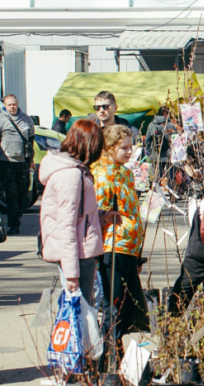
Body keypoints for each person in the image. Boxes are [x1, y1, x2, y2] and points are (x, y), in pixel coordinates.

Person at [39, 120, 119, 306]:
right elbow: (66, 227)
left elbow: (78, 216)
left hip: (78, 252)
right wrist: (72, 274)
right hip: (78, 255)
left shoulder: (74, 171)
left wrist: (100, 217)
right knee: (81, 314)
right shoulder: (71, 176)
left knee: (81, 312)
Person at [92, 125, 146, 350]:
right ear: (109, 148)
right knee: (114, 305)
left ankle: (123, 351)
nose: (129, 151)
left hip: (130, 248)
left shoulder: (125, 172)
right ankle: (109, 354)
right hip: (112, 248)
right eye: (123, 147)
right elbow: (99, 214)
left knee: (131, 306)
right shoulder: (102, 174)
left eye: (131, 146)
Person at [0, 94, 35, 235]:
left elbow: (31, 140)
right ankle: (14, 224)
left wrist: (31, 159)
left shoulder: (27, 120)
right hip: (7, 162)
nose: (12, 107)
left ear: (17, 103)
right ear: (5, 106)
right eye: (9, 105)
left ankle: (17, 218)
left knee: (23, 193)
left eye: (14, 104)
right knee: (11, 194)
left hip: (23, 162)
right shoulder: (2, 119)